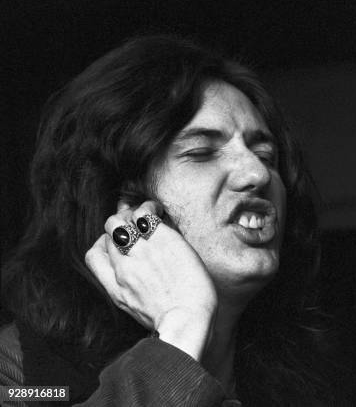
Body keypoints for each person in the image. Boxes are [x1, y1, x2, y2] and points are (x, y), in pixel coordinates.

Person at [1, 35, 338, 406]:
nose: (257, 173)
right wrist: (182, 327)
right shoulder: (14, 371)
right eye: (201, 152)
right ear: (124, 203)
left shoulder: (307, 380)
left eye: (266, 155)